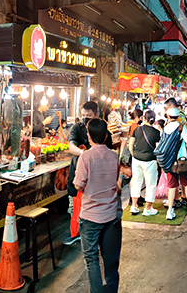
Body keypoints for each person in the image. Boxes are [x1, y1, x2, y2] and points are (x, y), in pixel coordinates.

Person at [73, 118, 122, 293]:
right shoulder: (114, 155)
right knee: (110, 259)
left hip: (91, 218)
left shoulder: (85, 156)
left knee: (92, 259)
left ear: (88, 136)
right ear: (106, 136)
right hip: (111, 216)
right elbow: (115, 180)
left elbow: (78, 185)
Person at [65, 101, 118, 246]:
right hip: (77, 173)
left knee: (91, 212)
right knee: (74, 207)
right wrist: (85, 154)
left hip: (95, 182)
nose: (85, 118)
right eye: (83, 115)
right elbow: (71, 147)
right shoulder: (78, 127)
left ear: (96, 114)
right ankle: (77, 234)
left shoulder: (104, 133)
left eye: (88, 116)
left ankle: (91, 237)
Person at [163, 108, 187, 220]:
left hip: (169, 161)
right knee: (186, 183)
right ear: (178, 117)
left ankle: (170, 211)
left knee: (172, 186)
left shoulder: (164, 129)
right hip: (181, 161)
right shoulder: (181, 128)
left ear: (168, 116)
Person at [128, 110, 160, 216]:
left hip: (137, 160)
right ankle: (148, 208)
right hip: (150, 161)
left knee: (137, 182)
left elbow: (130, 144)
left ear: (144, 118)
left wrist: (133, 154)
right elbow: (157, 149)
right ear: (154, 120)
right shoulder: (156, 133)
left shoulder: (137, 129)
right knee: (150, 185)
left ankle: (134, 206)